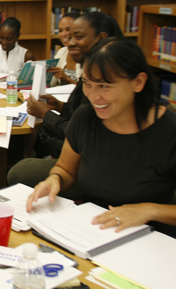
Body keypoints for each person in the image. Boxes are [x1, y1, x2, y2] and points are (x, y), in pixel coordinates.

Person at [26, 37, 176, 244]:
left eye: (104, 86)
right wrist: (54, 180)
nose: (93, 96)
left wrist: (150, 210)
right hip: (94, 233)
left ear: (138, 82)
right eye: (87, 84)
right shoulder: (85, 118)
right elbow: (66, 169)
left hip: (158, 239)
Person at [8, 12, 123, 188]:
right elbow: (82, 117)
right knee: (39, 148)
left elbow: (82, 133)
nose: (70, 42)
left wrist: (46, 114)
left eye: (78, 36)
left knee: (19, 170)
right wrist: (60, 106)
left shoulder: (107, 75)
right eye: (69, 36)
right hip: (83, 153)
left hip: (95, 162)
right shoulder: (91, 69)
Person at [49, 13, 81, 87]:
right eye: (60, 30)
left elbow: (87, 91)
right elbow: (51, 83)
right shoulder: (62, 51)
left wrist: (67, 79)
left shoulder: (90, 55)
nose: (63, 34)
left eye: (68, 29)